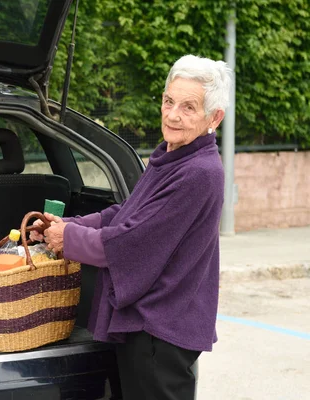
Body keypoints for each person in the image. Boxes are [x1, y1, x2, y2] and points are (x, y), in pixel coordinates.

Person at [31, 54, 233, 400]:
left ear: (215, 117)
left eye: (188, 107)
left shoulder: (199, 172)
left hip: (161, 333)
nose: (172, 115)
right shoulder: (174, 155)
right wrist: (69, 224)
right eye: (169, 101)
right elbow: (126, 213)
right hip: (149, 327)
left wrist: (69, 238)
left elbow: (133, 241)